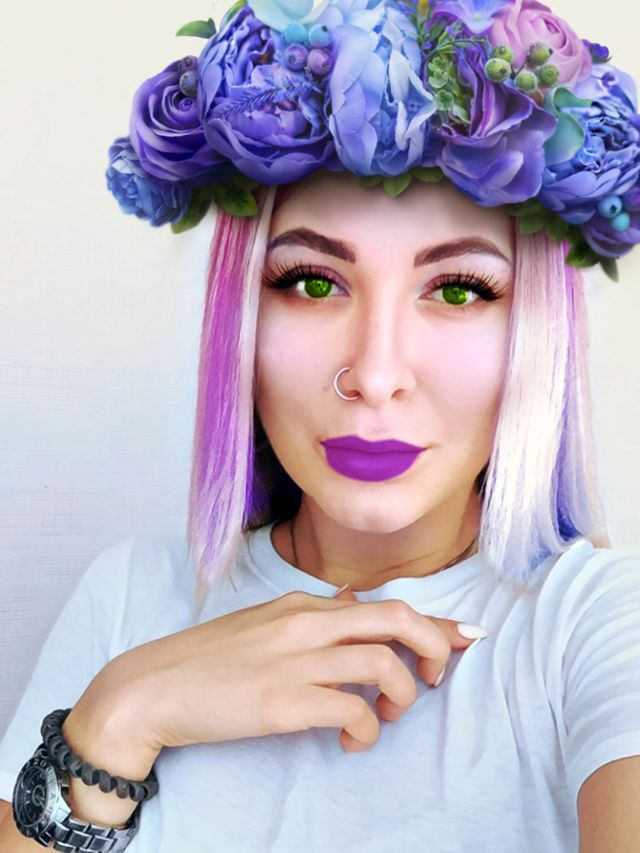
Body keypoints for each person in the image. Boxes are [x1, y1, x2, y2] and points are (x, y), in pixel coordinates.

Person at [1, 0, 640, 850]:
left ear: (538, 333)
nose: (374, 373)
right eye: (311, 283)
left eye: (458, 290)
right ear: (239, 316)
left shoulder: (600, 624)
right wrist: (122, 715)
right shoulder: (131, 596)